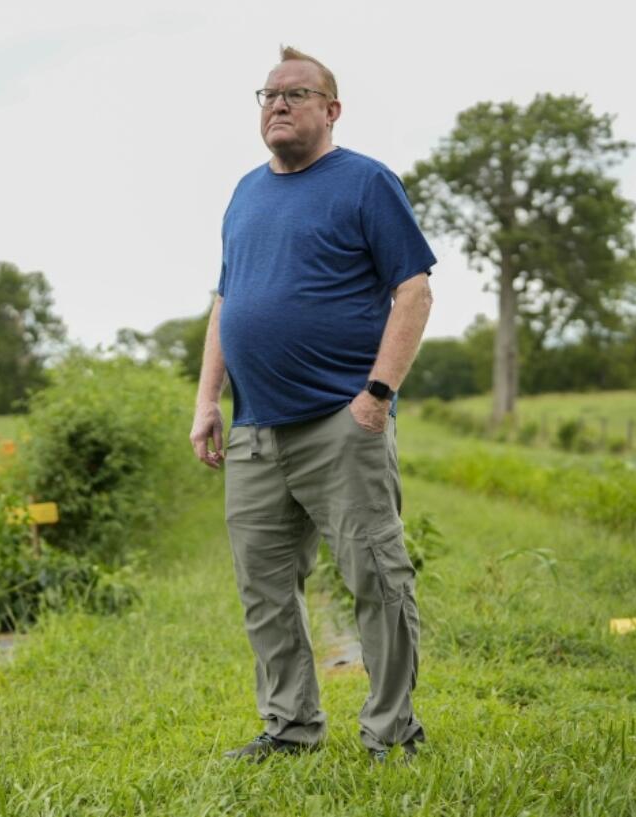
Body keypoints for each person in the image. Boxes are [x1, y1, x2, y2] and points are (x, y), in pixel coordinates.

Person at [190, 46, 435, 764]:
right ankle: (290, 728)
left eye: (297, 93)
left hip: (341, 421)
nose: (279, 103)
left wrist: (377, 396)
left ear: (332, 109)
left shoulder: (365, 183)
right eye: (268, 93)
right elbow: (226, 301)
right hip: (255, 429)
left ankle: (393, 733)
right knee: (265, 591)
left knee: (377, 580)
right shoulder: (245, 192)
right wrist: (209, 397)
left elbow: (414, 291)